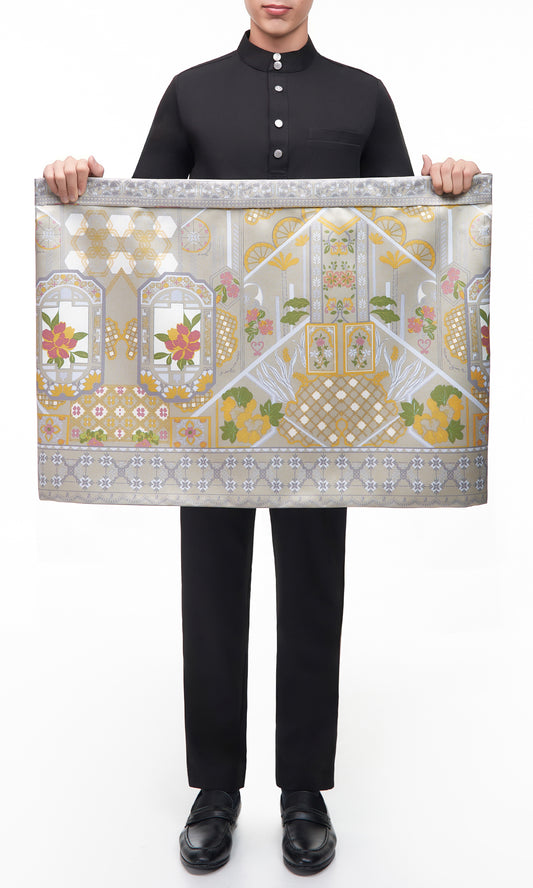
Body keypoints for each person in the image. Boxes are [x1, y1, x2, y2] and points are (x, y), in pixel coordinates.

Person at [42, 0, 482, 876]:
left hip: (324, 395)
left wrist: (447, 182)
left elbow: (403, 235)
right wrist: (80, 180)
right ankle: (215, 789)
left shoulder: (364, 95)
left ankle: (303, 790)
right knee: (210, 591)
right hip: (206, 398)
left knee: (314, 589)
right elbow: (142, 223)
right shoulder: (190, 91)